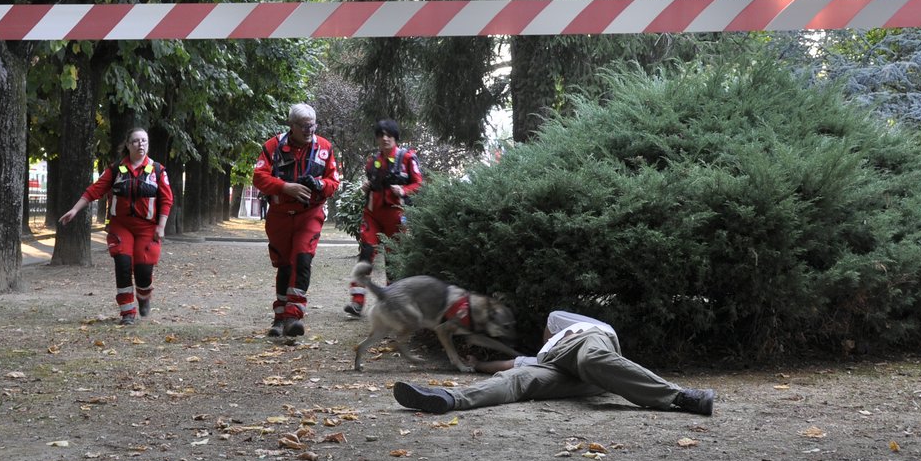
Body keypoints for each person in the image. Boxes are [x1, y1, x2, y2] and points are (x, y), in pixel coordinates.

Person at [392, 309, 716, 416]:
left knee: (592, 359)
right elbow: (510, 366)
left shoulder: (564, 323)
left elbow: (554, 320)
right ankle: (449, 399)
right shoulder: (542, 355)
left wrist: (551, 339)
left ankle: (681, 397)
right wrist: (477, 364)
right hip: (566, 371)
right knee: (518, 382)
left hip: (589, 346)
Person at [59, 128, 173, 325]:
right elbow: (94, 190)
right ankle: (127, 313)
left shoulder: (157, 170)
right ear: (128, 145)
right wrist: (75, 210)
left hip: (147, 227)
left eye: (144, 141)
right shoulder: (115, 170)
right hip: (121, 226)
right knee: (122, 265)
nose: (141, 144)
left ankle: (144, 296)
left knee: (143, 272)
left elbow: (166, 199)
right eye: (136, 141)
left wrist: (161, 226)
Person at [252, 103, 341, 338]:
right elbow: (259, 177)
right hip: (280, 215)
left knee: (302, 257)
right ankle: (280, 317)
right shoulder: (274, 146)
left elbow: (333, 182)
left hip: (309, 213)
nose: (309, 130)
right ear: (291, 126)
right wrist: (285, 187)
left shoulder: (324, 148)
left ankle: (294, 315)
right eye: (303, 126)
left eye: (312, 125)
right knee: (284, 264)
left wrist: (319, 184)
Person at [344, 119, 423, 317]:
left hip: (396, 216)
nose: (385, 138)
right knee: (366, 254)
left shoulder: (407, 158)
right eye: (381, 135)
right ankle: (356, 301)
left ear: (395, 137)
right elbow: (372, 183)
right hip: (372, 215)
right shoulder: (373, 161)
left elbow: (419, 184)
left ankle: (392, 304)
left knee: (392, 260)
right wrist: (366, 186)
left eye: (389, 135)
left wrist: (403, 190)